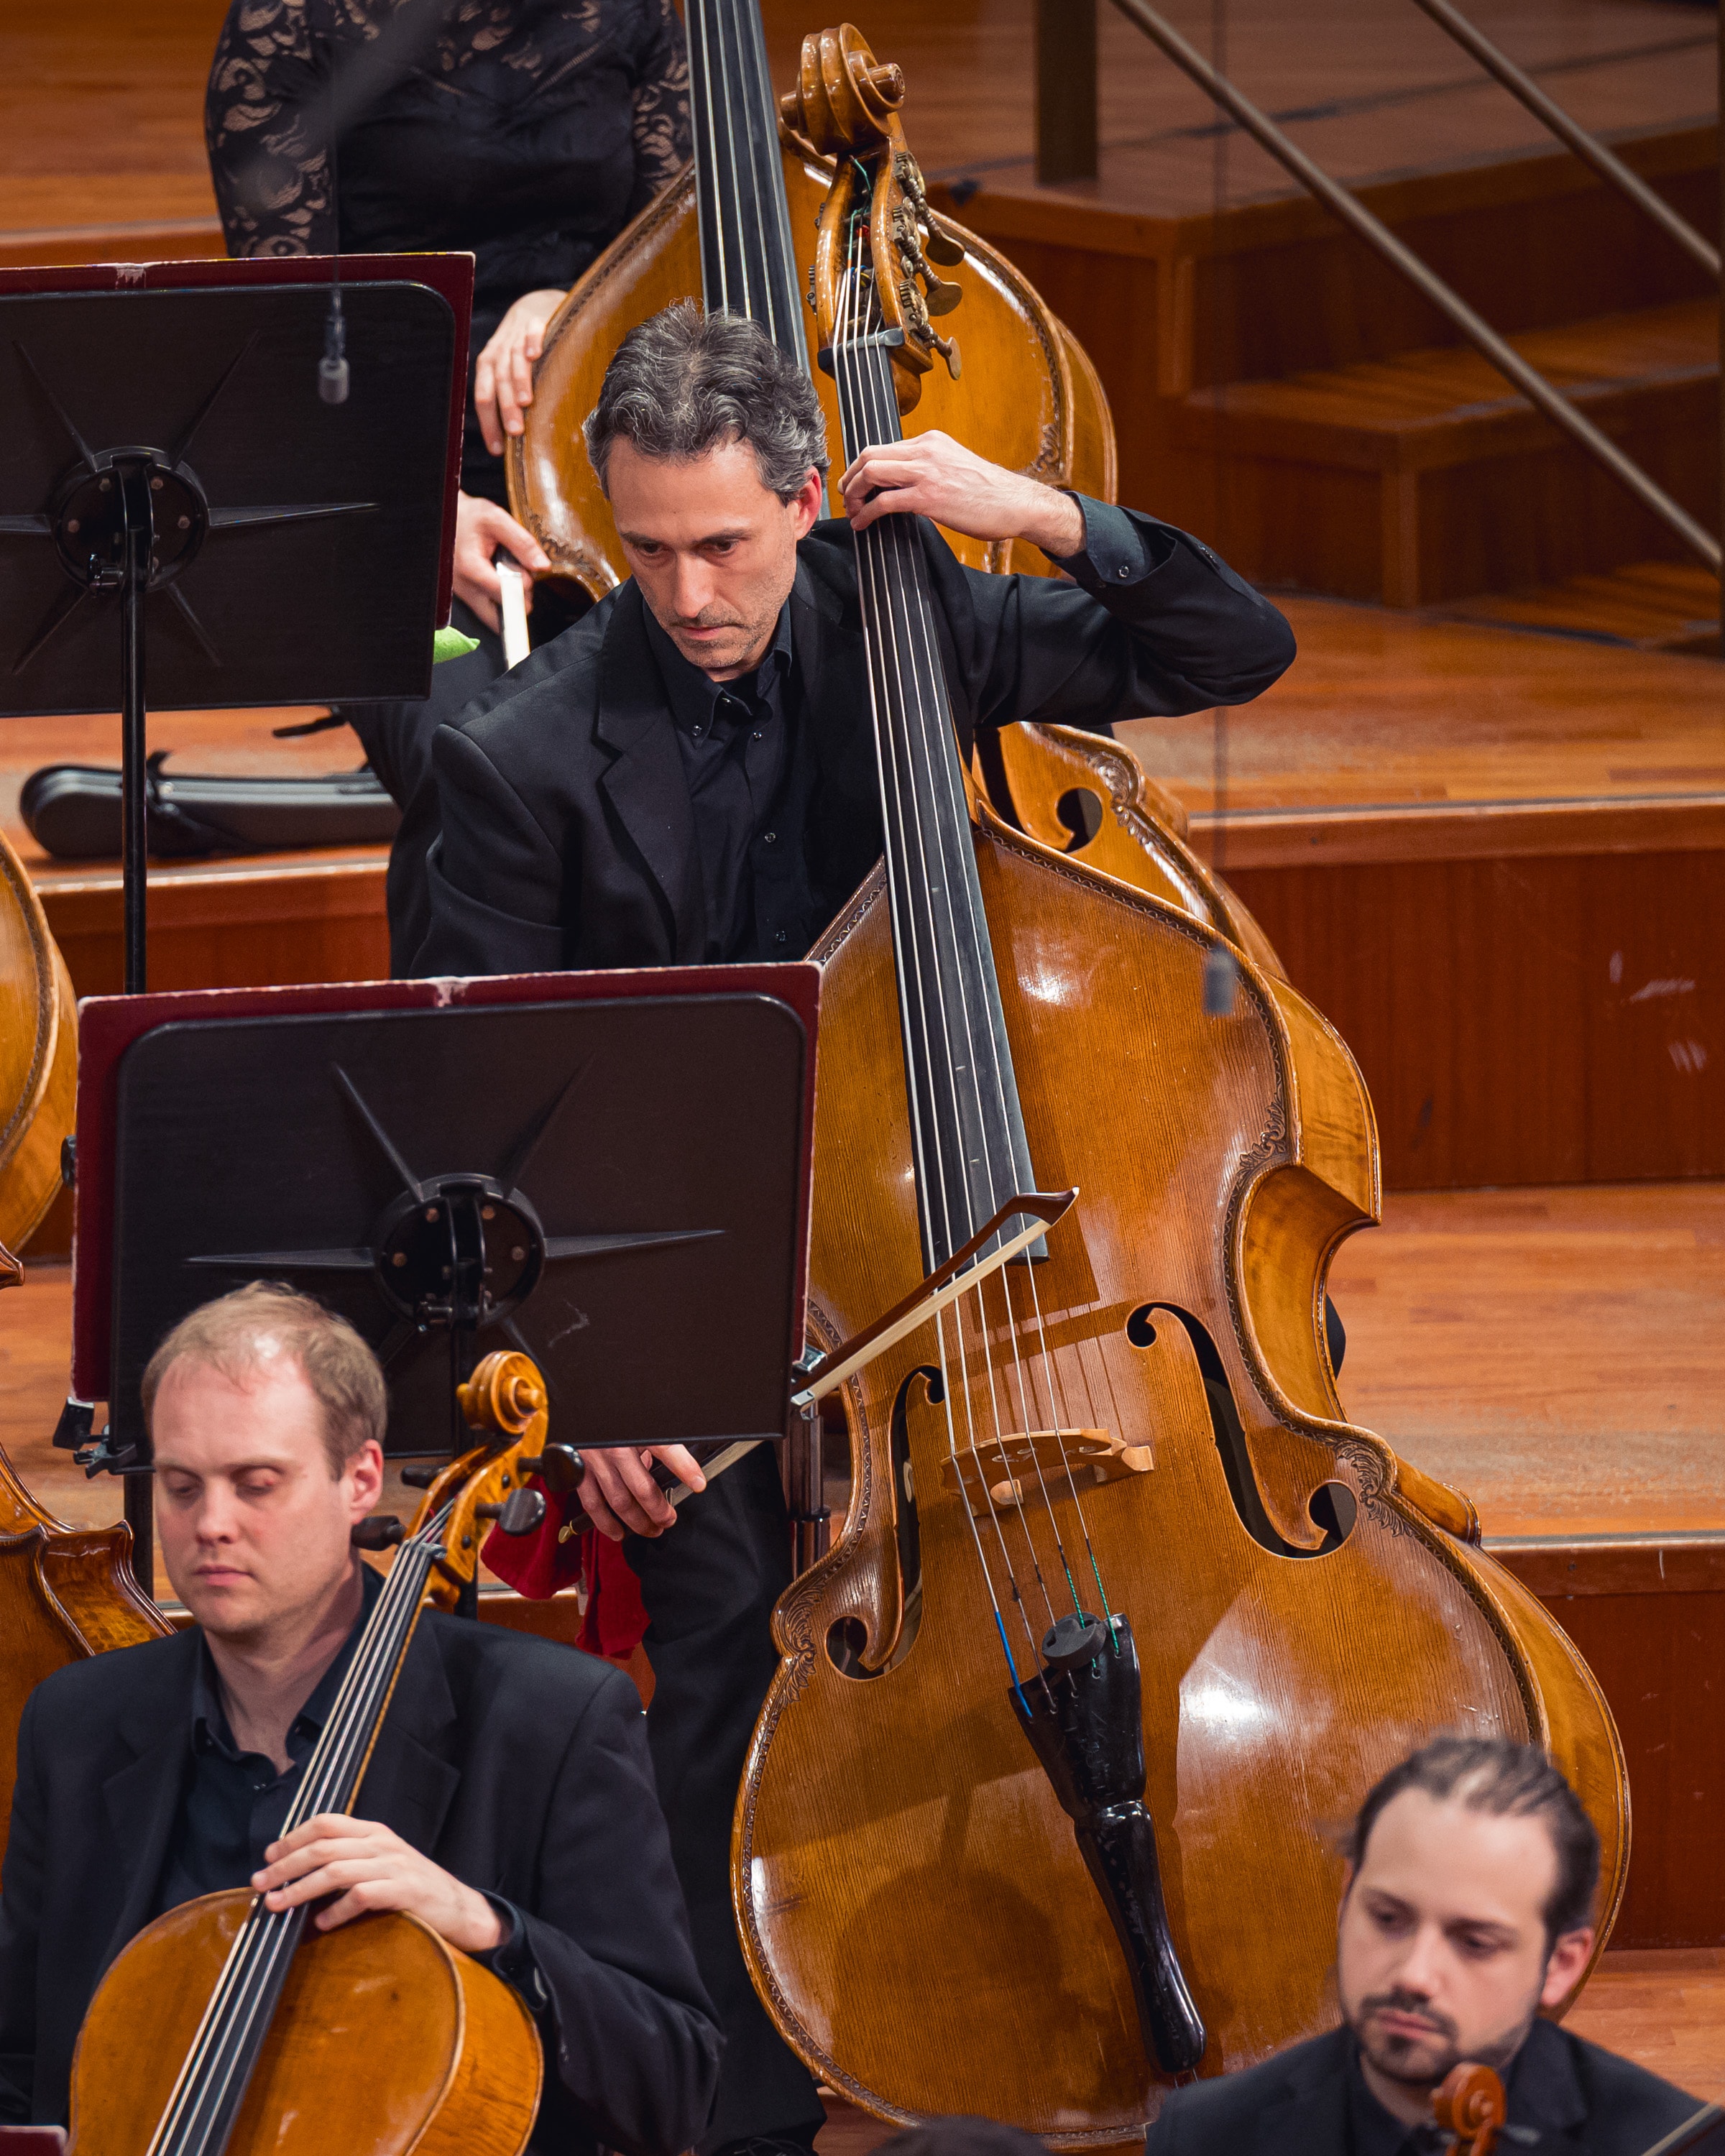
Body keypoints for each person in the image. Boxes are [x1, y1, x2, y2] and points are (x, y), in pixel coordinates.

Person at [415, 298, 1299, 2156]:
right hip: (692, 1275)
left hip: (949, 1225)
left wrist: (1041, 515)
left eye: (728, 544)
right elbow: (473, 1133)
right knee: (723, 1641)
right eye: (647, 552)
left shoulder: (919, 623)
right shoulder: (518, 759)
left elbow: (1234, 643)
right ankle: (723, 2105)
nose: (691, 592)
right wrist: (588, 1388)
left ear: (809, 498)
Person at [0, 1283, 719, 2155]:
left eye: (256, 1483)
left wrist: (487, 1927)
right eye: (182, 1487)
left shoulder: (548, 1720)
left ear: (360, 1480)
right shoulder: (77, 1724)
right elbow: (22, 2065)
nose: (211, 1525)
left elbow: (679, 2084)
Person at [206, 0, 691, 960]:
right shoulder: (292, 26)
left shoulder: (633, 15)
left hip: (608, 472)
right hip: (385, 486)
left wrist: (576, 302)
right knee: (477, 760)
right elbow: (289, 340)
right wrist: (433, 513)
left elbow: (680, 257)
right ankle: (461, 1077)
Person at [1144, 1736, 1701, 2155]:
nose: (1414, 1975)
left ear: (1560, 1963)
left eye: (1476, 1942)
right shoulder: (1201, 2135)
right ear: (1346, 1897)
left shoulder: (1674, 2142)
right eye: (1388, 1918)